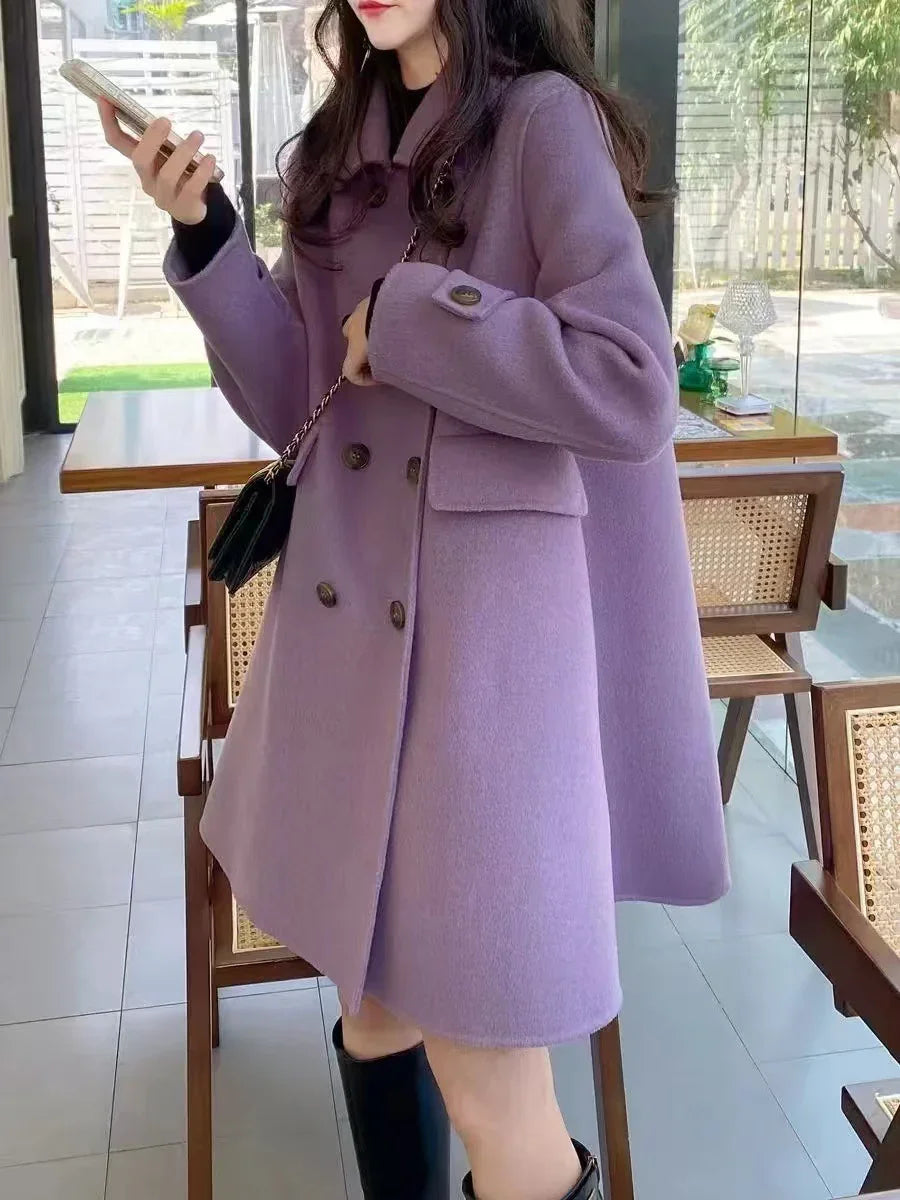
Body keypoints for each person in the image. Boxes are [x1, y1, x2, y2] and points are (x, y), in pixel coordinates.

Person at [99, 0, 729, 1196]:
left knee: (499, 1099)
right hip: (352, 656)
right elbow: (300, 395)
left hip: (487, 689)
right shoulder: (339, 150)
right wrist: (208, 231)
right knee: (376, 1010)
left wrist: (412, 319)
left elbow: (632, 382)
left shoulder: (543, 124)